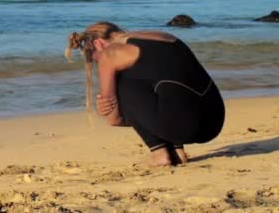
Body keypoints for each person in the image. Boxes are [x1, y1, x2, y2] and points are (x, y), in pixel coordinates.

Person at [65, 22, 225, 166]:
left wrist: (106, 108)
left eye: (94, 59)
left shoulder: (110, 54)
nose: (98, 63)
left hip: (183, 127)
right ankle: (177, 151)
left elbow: (115, 119)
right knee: (163, 86)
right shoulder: (163, 36)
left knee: (122, 81)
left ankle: (160, 154)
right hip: (214, 122)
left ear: (98, 44)